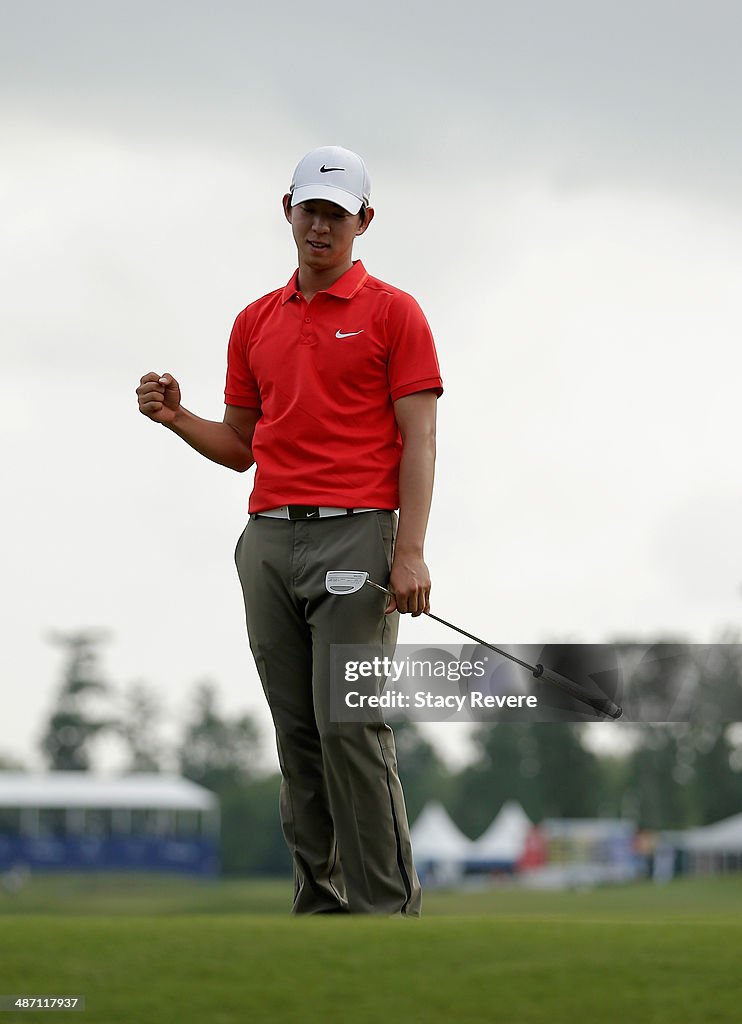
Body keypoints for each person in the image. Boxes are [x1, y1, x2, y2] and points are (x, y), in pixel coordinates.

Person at [136, 145, 443, 916]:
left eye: (337, 214)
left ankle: (386, 914)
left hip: (358, 537)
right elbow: (241, 447)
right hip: (269, 540)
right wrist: (178, 419)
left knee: (350, 725)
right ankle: (321, 910)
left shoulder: (394, 313)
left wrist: (409, 549)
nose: (321, 225)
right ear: (288, 210)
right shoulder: (255, 323)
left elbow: (421, 438)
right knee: (298, 738)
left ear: (363, 221)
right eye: (310, 209)